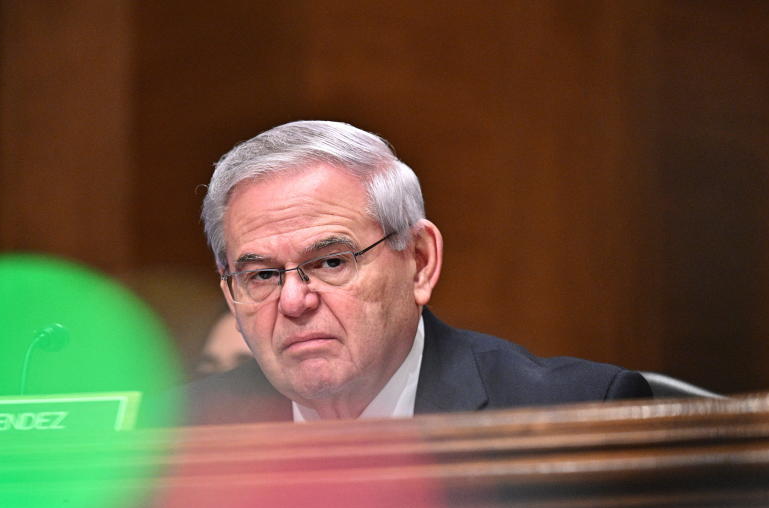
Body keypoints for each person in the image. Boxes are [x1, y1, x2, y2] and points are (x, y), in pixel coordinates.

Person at [186, 120, 650, 425]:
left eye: (331, 262)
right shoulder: (165, 441)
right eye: (262, 276)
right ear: (230, 293)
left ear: (420, 262)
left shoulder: (578, 415)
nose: (292, 302)